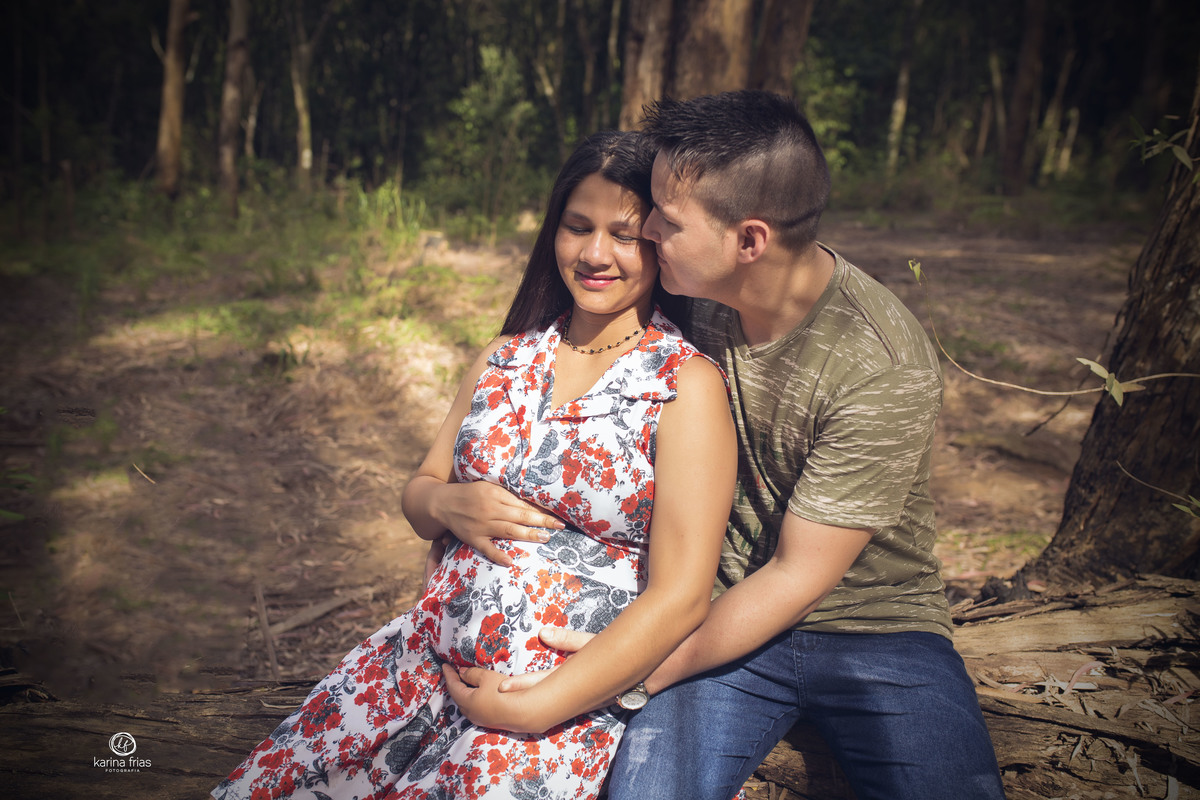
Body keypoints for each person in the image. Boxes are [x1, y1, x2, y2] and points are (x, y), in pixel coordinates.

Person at [449, 91, 1006, 800]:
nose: (646, 231)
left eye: (667, 222)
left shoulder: (880, 364)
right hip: (709, 608)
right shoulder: (690, 295)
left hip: (876, 627)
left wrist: (634, 669)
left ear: (750, 242)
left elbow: (798, 575)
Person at [210, 130, 735, 800]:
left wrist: (538, 706)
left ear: (659, 244)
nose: (595, 253)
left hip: (558, 703)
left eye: (624, 235)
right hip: (417, 669)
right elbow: (420, 494)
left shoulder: (683, 385)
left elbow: (681, 595)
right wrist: (446, 504)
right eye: (577, 227)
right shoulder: (503, 359)